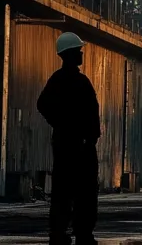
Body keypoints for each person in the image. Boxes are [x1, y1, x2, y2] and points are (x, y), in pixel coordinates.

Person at [37, 32, 101, 245]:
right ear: (70, 54)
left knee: (66, 191)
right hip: (74, 145)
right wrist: (69, 127)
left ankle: (61, 232)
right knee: (83, 192)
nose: (82, 54)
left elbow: (44, 105)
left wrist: (62, 125)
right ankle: (80, 233)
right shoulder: (72, 81)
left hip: (72, 143)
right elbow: (44, 105)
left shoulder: (62, 80)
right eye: (79, 51)